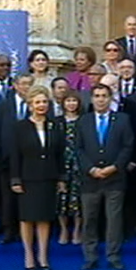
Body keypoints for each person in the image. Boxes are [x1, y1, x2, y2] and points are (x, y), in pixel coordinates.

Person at [75, 84, 134, 270]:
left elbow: (128, 146)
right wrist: (90, 169)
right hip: (90, 179)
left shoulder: (123, 120)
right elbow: (78, 149)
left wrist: (115, 167)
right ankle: (90, 257)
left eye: (104, 96)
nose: (100, 99)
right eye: (97, 96)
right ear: (91, 99)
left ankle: (113, 256)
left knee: (114, 220)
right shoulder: (83, 121)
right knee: (90, 219)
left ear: (110, 99)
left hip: (114, 179)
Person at [10, 85, 65, 270]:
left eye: (44, 102)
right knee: (27, 218)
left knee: (44, 217)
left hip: (48, 177)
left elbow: (60, 154)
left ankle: (42, 255)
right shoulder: (20, 127)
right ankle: (28, 255)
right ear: (30, 105)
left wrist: (61, 178)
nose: (41, 105)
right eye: (37, 102)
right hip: (27, 178)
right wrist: (15, 179)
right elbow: (15, 155)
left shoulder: (54, 125)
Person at [0, 73, 34, 244]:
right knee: (7, 198)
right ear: (15, 85)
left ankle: (29, 230)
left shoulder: (37, 105)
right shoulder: (4, 105)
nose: (26, 87)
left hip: (30, 159)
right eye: (23, 84)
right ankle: (9, 230)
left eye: (29, 84)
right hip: (7, 159)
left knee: (28, 197)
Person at [56, 90, 83, 245]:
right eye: (68, 101)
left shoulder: (84, 120)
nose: (71, 104)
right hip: (62, 164)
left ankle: (77, 230)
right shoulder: (56, 121)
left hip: (79, 165)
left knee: (78, 199)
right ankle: (64, 229)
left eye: (74, 100)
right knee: (62, 199)